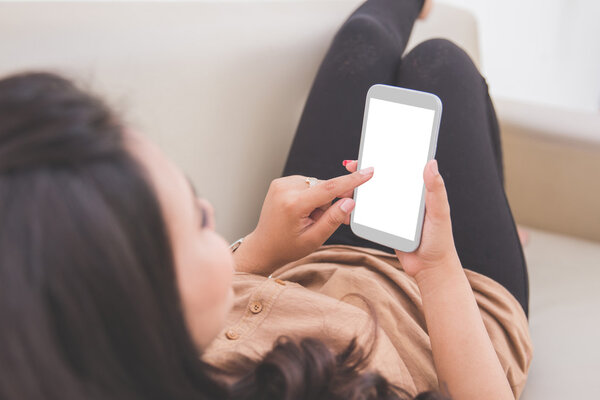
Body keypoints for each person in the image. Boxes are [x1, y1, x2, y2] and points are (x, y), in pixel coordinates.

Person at [0, 0, 531, 399]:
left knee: (362, 43)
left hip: (321, 254)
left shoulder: (117, 350)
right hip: (461, 301)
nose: (211, 211)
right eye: (195, 225)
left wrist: (260, 247)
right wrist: (438, 267)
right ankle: (506, 232)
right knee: (441, 64)